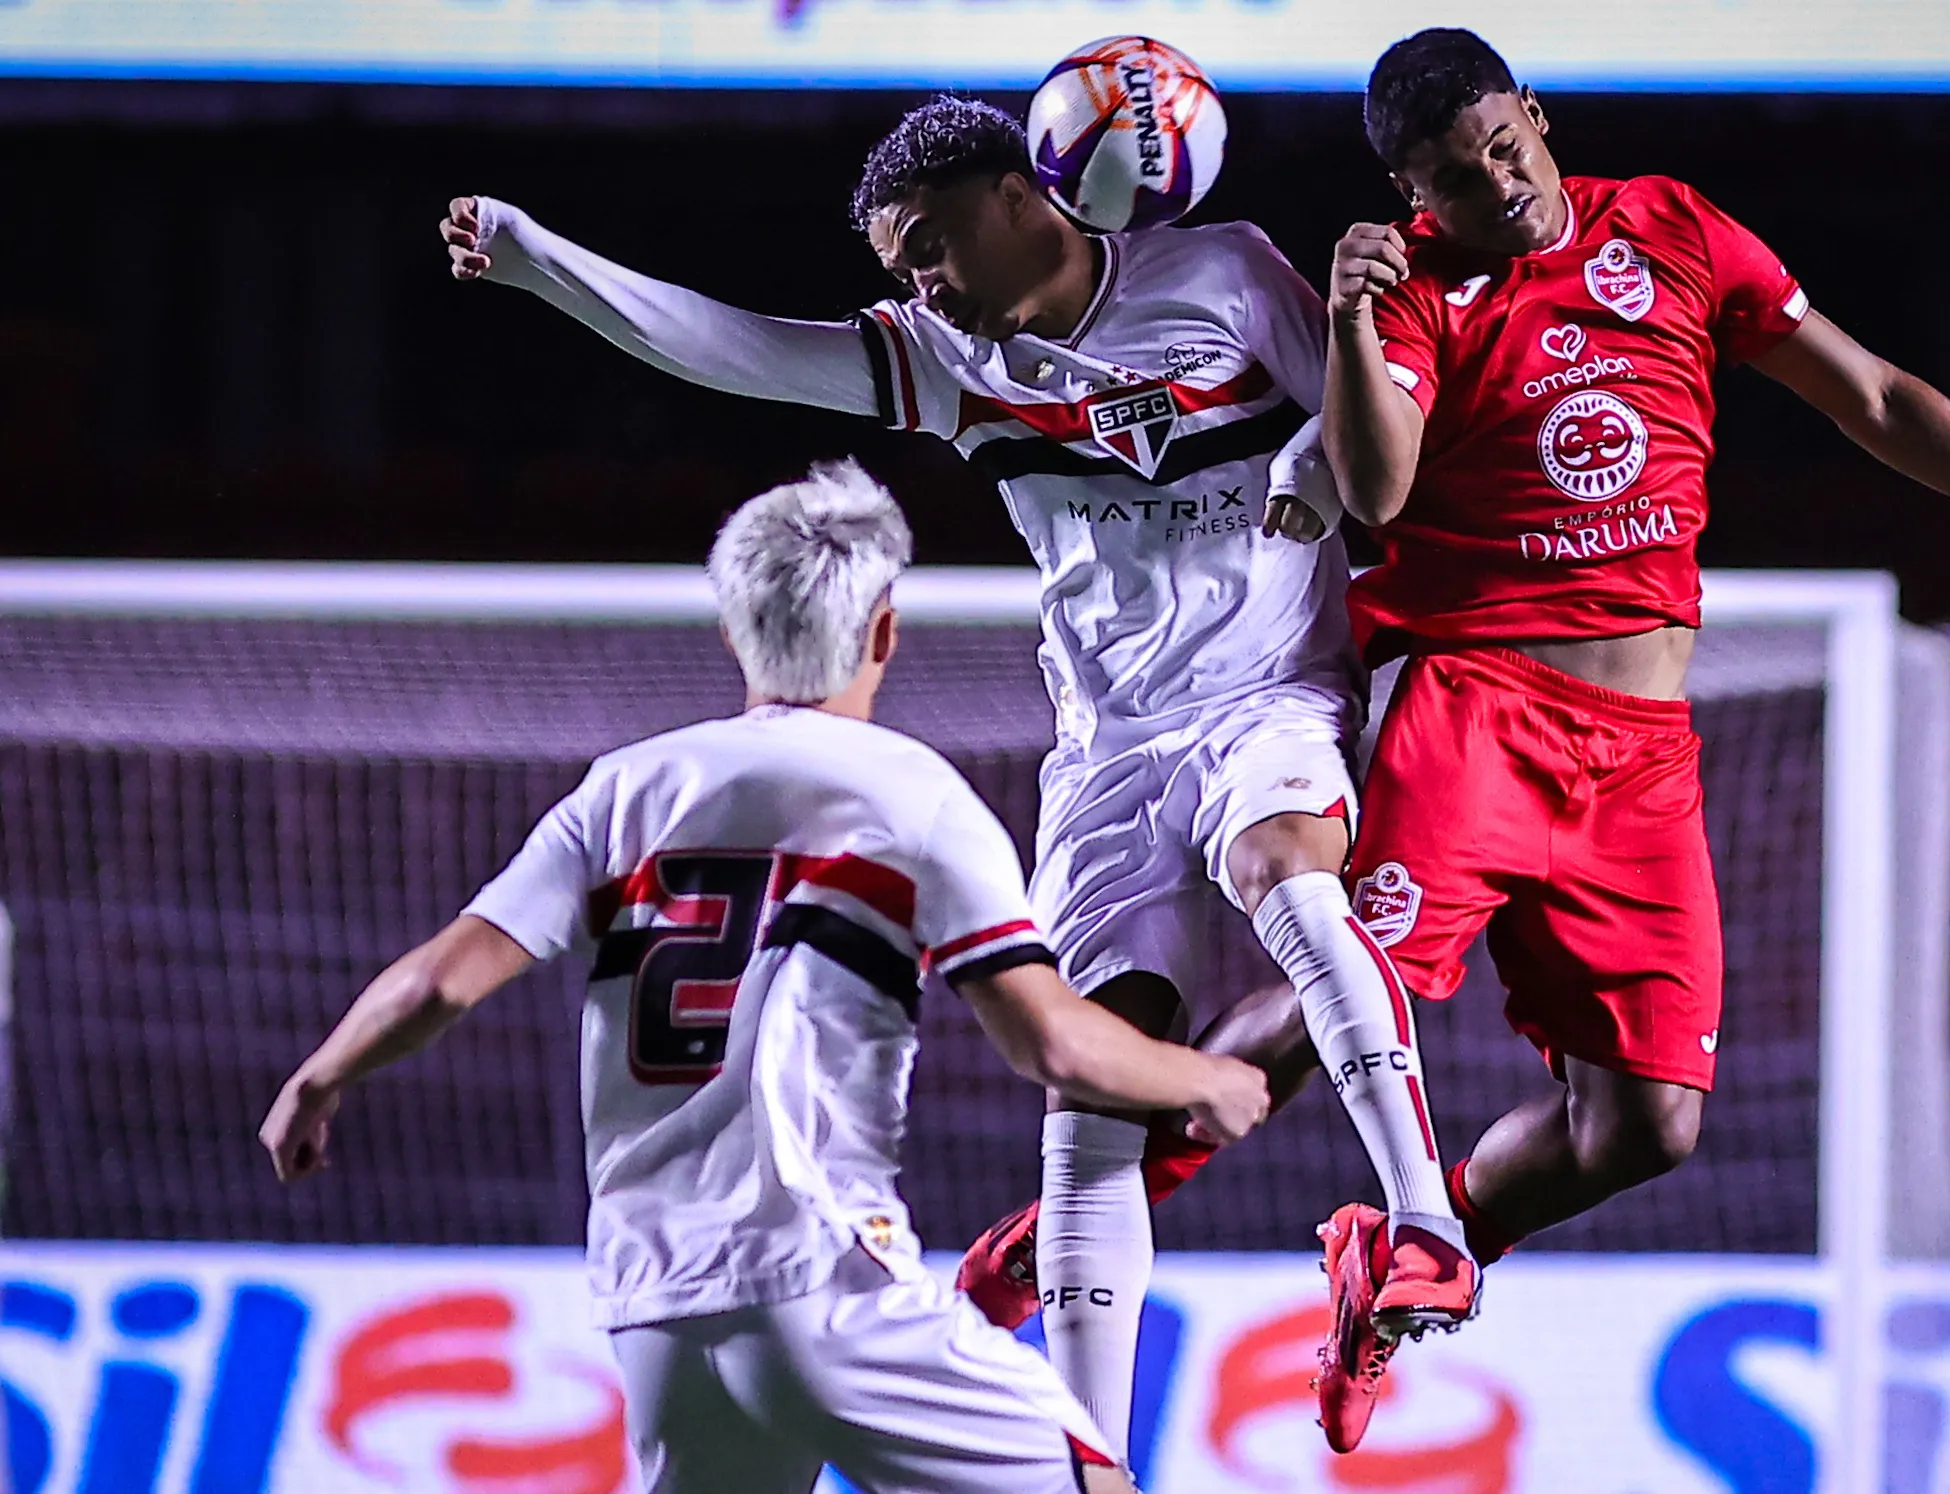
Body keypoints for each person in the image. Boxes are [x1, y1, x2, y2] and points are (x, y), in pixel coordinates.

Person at [435, 96, 1465, 1465]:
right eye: (891, 265)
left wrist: (1301, 468)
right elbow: (733, 347)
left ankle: (1422, 1218)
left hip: (1268, 691)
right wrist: (539, 264)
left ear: (1013, 191)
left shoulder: (1221, 271)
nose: (910, 282)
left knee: (1289, 867)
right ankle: (1093, 1455)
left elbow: (1365, 438)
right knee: (1088, 1108)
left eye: (922, 242)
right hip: (1107, 749)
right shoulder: (943, 357)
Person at [1293, 26, 1950, 1451]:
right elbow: (1378, 497)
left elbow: (1875, 398)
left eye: (1506, 150)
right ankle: (1079, 1202)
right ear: (1411, 192)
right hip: (1472, 705)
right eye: (1456, 181)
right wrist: (1347, 317)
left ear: (1533, 112)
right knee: (1324, 998)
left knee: (1646, 1126)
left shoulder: (1671, 228)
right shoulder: (1416, 291)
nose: (1499, 189)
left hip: (1641, 742)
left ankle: (1405, 1250)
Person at [258, 464, 1273, 1494]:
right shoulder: (913, 792)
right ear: (884, 630)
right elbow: (1049, 1042)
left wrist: (317, 1080)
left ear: (733, 631)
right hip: (818, 1279)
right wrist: (1200, 1079)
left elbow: (441, 979)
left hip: (655, 1303)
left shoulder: (625, 788)